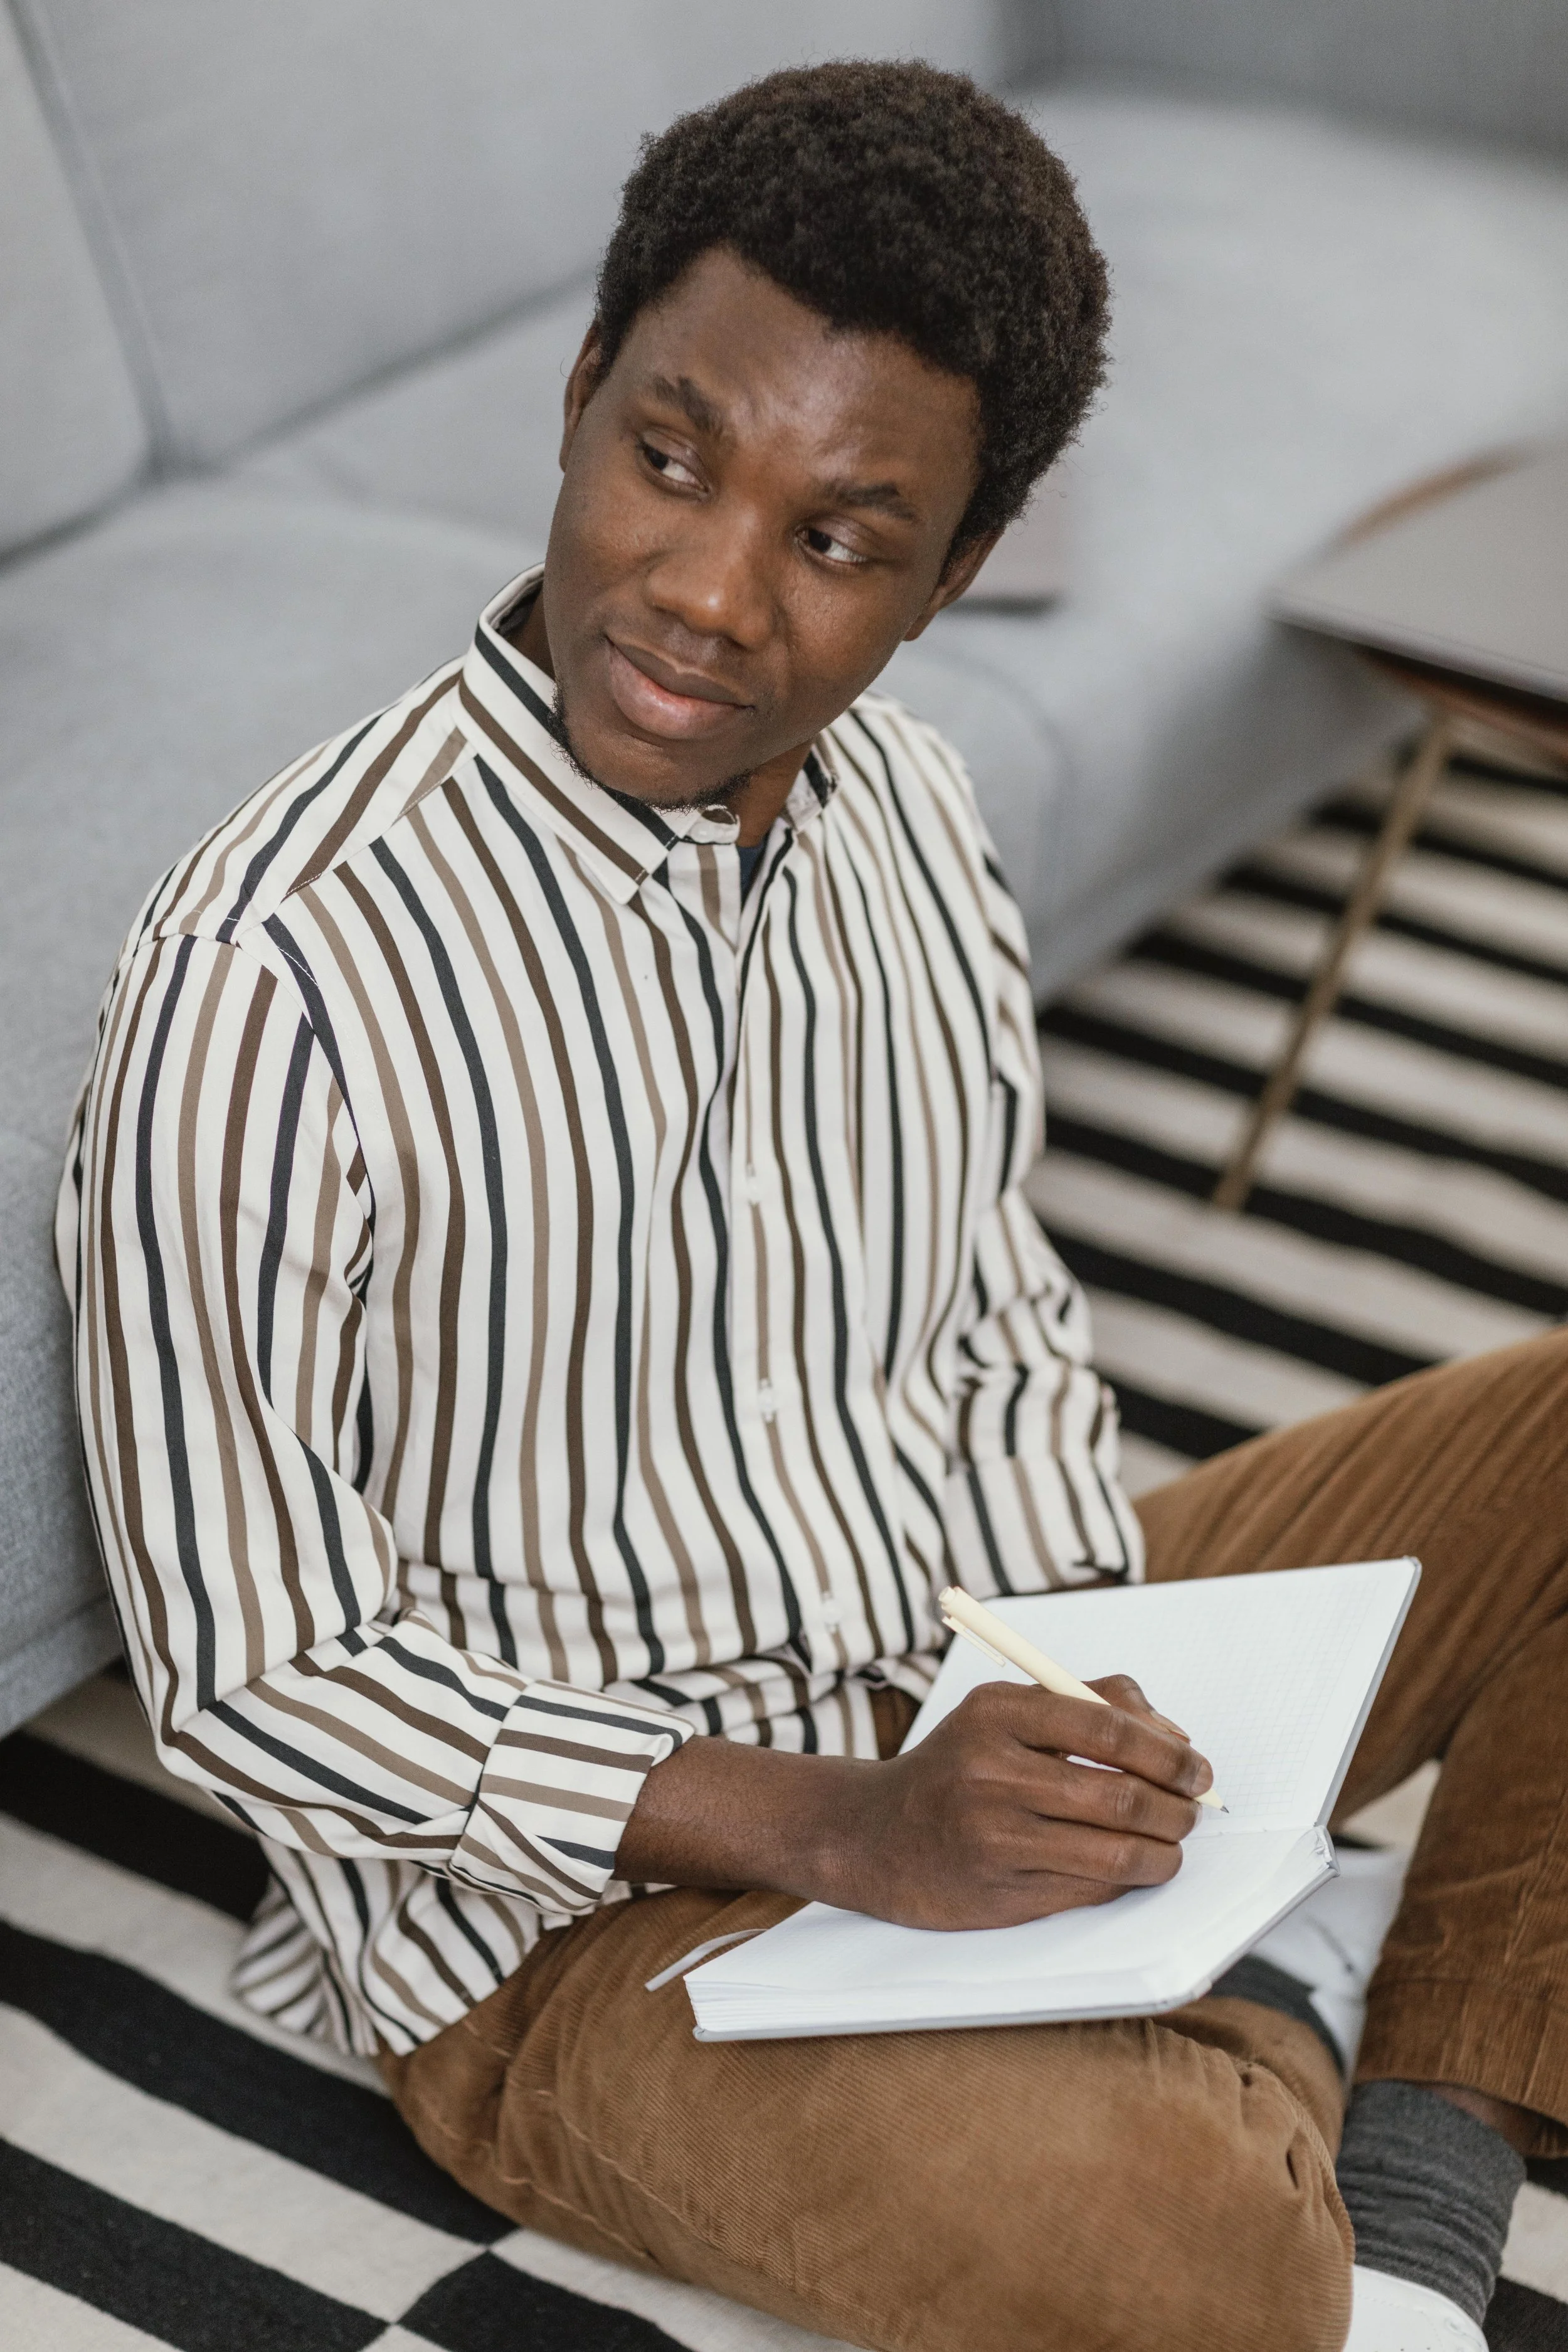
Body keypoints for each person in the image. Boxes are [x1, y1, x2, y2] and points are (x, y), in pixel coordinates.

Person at [56, 60, 1565, 2352]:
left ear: (958, 572)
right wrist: (853, 1834)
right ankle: (1317, 2048)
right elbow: (258, 1675)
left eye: (840, 539)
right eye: (668, 458)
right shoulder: (274, 977)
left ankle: (1359, 2091)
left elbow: (989, 1330)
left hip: (950, 1681)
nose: (700, 591)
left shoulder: (915, 818)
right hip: (570, 1935)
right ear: (580, 395)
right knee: (1211, 2258)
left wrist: (1109, 1710)